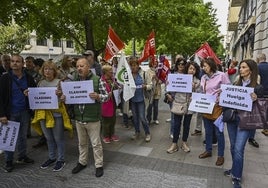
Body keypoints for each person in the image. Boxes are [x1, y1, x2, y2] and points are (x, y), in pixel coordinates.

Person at [66, 57, 109, 177]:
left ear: (88, 67)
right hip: (79, 118)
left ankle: (99, 165)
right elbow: (69, 97)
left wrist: (98, 96)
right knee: (82, 143)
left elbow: (107, 96)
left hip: (93, 119)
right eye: (77, 66)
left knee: (96, 144)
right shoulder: (74, 81)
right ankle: (82, 162)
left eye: (82, 66)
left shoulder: (97, 80)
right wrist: (64, 98)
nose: (79, 68)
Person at [224, 59, 263, 188]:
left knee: (239, 149)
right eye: (240, 67)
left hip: (245, 122)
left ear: (250, 70)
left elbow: (261, 107)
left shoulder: (257, 88)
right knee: (233, 146)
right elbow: (229, 100)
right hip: (232, 119)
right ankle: (235, 169)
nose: (240, 69)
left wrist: (256, 99)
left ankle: (237, 177)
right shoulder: (236, 83)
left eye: (243, 67)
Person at [31, 60, 72, 172]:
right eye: (45, 69)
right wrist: (29, 94)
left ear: (54, 71)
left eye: (50, 69)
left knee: (58, 138)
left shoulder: (59, 82)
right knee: (48, 138)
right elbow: (37, 97)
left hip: (56, 114)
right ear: (43, 71)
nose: (47, 71)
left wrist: (61, 95)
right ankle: (52, 157)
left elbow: (66, 98)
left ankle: (61, 159)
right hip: (43, 115)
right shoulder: (40, 83)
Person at [0, 54, 36, 172]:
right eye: (12, 61)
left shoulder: (29, 77)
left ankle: (22, 156)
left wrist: (30, 94)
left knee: (22, 137)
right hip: (10, 113)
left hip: (24, 112)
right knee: (9, 138)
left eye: (17, 61)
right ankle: (9, 161)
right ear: (10, 64)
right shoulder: (5, 78)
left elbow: (35, 93)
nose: (14, 63)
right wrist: (2, 114)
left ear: (22, 64)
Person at [198, 57, 230, 166]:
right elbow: (202, 91)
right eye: (203, 66)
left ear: (211, 65)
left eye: (205, 66)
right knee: (208, 131)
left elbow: (229, 88)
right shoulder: (203, 78)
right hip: (206, 107)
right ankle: (208, 150)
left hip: (217, 108)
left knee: (219, 133)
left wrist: (222, 92)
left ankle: (220, 156)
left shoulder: (221, 75)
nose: (203, 68)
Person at [166, 61, 201, 153]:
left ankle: (184, 143)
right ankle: (174, 144)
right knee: (177, 125)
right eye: (190, 68)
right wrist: (168, 87)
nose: (192, 70)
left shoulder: (198, 81)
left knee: (187, 125)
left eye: (194, 69)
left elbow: (200, 94)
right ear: (187, 69)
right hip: (179, 103)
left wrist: (194, 88)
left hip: (190, 106)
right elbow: (171, 87)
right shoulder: (180, 77)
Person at [129, 57, 152, 142]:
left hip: (141, 99)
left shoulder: (144, 73)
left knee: (142, 117)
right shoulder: (129, 75)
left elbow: (150, 85)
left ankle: (147, 133)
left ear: (138, 65)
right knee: (135, 118)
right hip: (133, 100)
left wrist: (145, 86)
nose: (133, 67)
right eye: (131, 65)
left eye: (134, 65)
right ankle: (137, 132)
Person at [164, 58, 186, 138]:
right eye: (179, 64)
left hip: (183, 99)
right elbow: (166, 86)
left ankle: (178, 131)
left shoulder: (187, 76)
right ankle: (173, 132)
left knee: (180, 117)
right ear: (176, 65)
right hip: (172, 98)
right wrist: (167, 94)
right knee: (173, 116)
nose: (181, 65)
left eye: (183, 64)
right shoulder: (172, 74)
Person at [100, 64, 121, 143]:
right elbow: (102, 93)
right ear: (105, 72)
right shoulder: (102, 81)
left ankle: (112, 134)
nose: (112, 72)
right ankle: (106, 136)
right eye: (110, 71)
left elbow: (118, 86)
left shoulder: (113, 80)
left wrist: (118, 86)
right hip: (106, 104)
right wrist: (107, 95)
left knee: (113, 120)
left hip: (113, 103)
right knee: (106, 121)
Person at [146, 59, 162, 125]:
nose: (155, 65)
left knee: (156, 106)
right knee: (150, 106)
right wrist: (152, 79)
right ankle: (148, 119)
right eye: (154, 63)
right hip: (150, 91)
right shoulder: (147, 71)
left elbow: (161, 82)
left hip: (157, 90)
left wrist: (156, 78)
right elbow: (147, 80)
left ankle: (155, 119)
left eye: (156, 64)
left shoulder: (159, 71)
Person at [257, 53, 268, 136]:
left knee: (263, 110)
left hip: (262, 93)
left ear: (258, 59)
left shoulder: (257, 67)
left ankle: (265, 128)